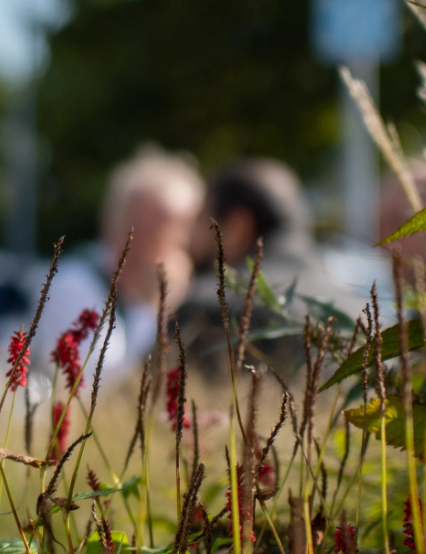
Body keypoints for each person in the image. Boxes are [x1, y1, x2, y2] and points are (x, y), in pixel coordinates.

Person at [37, 145, 206, 382]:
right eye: (133, 228)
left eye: (157, 235)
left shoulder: (196, 291)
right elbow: (89, 384)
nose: (137, 245)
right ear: (109, 222)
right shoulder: (75, 283)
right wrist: (153, 308)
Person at [178, 157, 349, 370]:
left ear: (237, 228)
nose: (186, 238)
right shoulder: (359, 311)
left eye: (200, 219)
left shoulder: (209, 311)